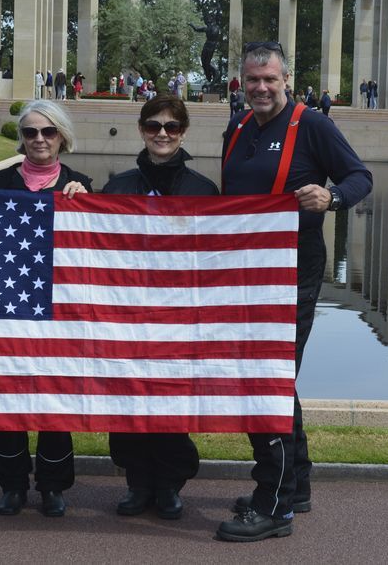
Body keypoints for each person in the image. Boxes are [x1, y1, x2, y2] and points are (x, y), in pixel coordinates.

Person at [216, 42, 372, 542]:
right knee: (278, 377)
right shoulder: (237, 127)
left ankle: (274, 505)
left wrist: (333, 197)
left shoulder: (314, 125)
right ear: (242, 81)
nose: (261, 88)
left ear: (286, 80)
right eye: (252, 79)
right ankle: (297, 485)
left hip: (295, 271)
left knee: (268, 379)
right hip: (245, 271)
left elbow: (360, 177)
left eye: (270, 79)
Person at [0, 100, 90, 518]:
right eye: (31, 132)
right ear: (21, 138)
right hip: (8, 308)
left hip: (62, 310)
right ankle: (12, 485)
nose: (39, 139)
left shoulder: (82, 185)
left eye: (48, 132)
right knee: (8, 400)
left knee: (55, 403)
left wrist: (89, 205)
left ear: (62, 137)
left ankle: (53, 487)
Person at [102, 94, 218, 520]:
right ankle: (137, 482)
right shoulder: (117, 187)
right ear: (142, 130)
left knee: (171, 402)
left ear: (183, 132)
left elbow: (214, 260)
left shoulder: (203, 190)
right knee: (129, 399)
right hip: (128, 314)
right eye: (154, 126)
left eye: (171, 127)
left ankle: (169, 484)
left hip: (179, 316)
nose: (163, 134)